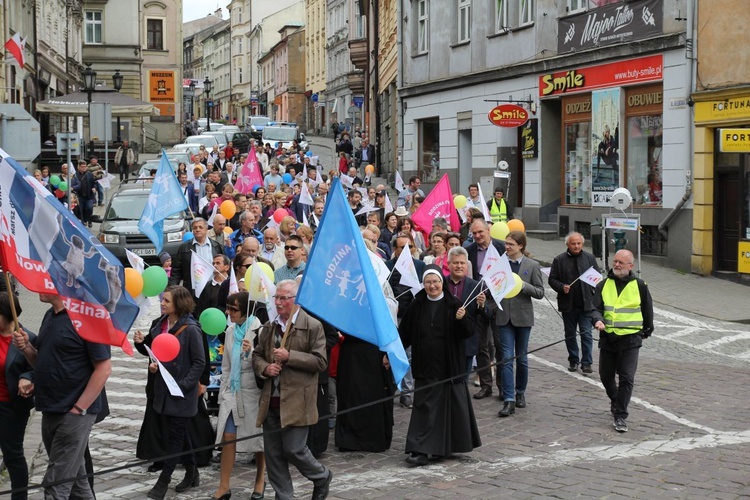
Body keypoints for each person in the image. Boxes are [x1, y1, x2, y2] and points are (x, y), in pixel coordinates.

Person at [12, 293, 111, 499]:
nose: (37, 287)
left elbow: (103, 368)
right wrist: (27, 348)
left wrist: (79, 409)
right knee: (77, 484)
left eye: (44, 280)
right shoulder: (50, 315)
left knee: (56, 485)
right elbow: (42, 361)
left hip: (73, 413)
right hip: (50, 408)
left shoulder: (87, 317)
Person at [251, 280, 333, 500]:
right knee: (274, 455)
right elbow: (257, 356)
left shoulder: (312, 326)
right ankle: (284, 496)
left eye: (283, 298)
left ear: (296, 300)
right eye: (276, 297)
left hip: (298, 401)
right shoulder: (269, 326)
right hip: (271, 400)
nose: (278, 302)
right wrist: (265, 368)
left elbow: (320, 362)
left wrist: (291, 357)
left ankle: (321, 476)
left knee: (294, 449)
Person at [399, 265, 481, 466]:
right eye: (428, 282)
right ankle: (421, 448)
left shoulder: (454, 304)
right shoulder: (417, 304)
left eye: (435, 282)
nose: (432, 286)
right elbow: (405, 333)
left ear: (441, 283)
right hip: (425, 366)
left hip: (448, 366)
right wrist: (392, 354)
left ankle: (444, 447)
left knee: (447, 408)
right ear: (424, 284)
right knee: (425, 407)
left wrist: (461, 320)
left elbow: (468, 332)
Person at [134, 286, 206, 499]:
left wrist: (183, 385)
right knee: (179, 431)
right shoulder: (159, 324)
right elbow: (155, 352)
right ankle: (192, 471)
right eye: (162, 300)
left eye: (166, 300)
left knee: (175, 436)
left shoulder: (191, 329)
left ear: (179, 303)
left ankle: (163, 481)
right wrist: (147, 354)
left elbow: (199, 362)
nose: (162, 303)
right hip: (162, 390)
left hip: (182, 392)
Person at [210, 292, 266, 500]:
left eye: (234, 309)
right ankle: (224, 485)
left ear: (245, 309)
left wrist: (251, 351)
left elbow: (264, 363)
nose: (229, 312)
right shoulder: (231, 330)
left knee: (258, 439)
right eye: (228, 308)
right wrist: (223, 392)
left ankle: (260, 480)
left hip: (253, 392)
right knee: (228, 436)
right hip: (233, 392)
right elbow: (226, 366)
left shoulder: (260, 329)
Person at [591, 249, 653, 433]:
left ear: (630, 266)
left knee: (626, 377)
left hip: (631, 340)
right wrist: (597, 320)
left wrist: (646, 331)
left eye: (621, 262)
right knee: (605, 375)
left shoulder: (640, 285)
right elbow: (595, 308)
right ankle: (616, 399)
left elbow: (648, 311)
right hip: (609, 338)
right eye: (615, 261)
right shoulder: (603, 285)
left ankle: (620, 415)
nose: (616, 265)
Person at [496, 231, 545, 418]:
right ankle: (509, 400)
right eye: (506, 243)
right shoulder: (500, 264)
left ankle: (520, 392)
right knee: (507, 357)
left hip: (523, 318)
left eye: (510, 244)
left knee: (522, 357)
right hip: (504, 317)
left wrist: (523, 285)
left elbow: (540, 292)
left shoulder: (532, 266)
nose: (507, 247)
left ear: (521, 246)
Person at [0, 293, 35, 500]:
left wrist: (26, 377)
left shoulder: (26, 338)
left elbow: (39, 366)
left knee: (13, 455)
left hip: (10, 408)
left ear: (6, 314)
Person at [466, 219, 506, 400]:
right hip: (479, 301)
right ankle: (486, 385)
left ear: (488, 230)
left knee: (500, 345)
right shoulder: (469, 250)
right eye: (474, 233)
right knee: (481, 345)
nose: (477, 236)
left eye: (480, 232)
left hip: (499, 301)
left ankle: (503, 387)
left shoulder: (501, 248)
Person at [548, 232, 599, 373]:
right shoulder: (559, 260)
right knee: (570, 334)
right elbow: (552, 279)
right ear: (567, 245)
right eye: (573, 244)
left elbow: (597, 277)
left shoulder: (589, 258)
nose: (576, 246)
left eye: (579, 243)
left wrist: (594, 287)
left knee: (586, 334)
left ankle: (587, 362)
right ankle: (573, 360)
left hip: (586, 304)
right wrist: (561, 287)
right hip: (568, 305)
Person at [170, 217, 225, 292]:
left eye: (200, 227)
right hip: (193, 289)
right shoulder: (184, 248)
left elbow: (222, 267)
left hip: (213, 288)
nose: (197, 230)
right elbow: (176, 271)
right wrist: (171, 290)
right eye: (195, 228)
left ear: (206, 229)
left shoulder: (216, 246)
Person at [71, 161, 97, 227]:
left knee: (89, 208)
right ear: (78, 167)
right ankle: (83, 222)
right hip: (79, 196)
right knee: (80, 209)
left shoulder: (89, 174)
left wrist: (94, 188)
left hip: (89, 196)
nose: (84, 168)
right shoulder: (75, 175)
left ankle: (89, 220)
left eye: (85, 166)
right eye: (82, 167)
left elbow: (94, 183)